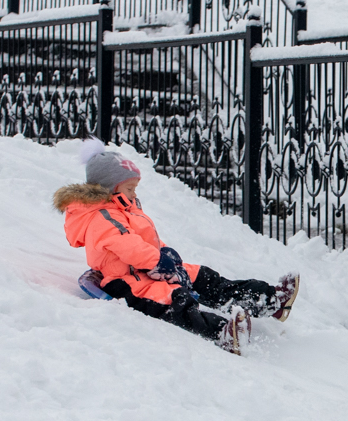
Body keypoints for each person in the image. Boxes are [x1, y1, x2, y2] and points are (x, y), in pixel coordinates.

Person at [54, 141, 298, 351]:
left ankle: (269, 301)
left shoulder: (124, 208)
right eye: (130, 188)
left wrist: (165, 253)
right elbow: (128, 245)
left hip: (148, 269)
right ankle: (222, 333)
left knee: (202, 276)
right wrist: (159, 263)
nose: (134, 193)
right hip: (127, 281)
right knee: (175, 298)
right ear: (110, 188)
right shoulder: (102, 217)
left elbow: (145, 239)